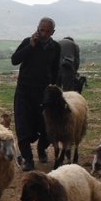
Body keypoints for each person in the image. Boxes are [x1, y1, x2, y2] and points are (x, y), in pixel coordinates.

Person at [10, 17, 61, 171]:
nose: (44, 34)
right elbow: (14, 60)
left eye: (47, 31)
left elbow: (55, 70)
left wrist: (54, 89)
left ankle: (41, 149)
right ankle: (28, 159)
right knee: (23, 125)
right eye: (41, 30)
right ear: (37, 28)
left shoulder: (55, 47)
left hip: (43, 93)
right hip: (24, 91)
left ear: (52, 32)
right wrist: (30, 47)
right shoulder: (28, 42)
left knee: (46, 126)